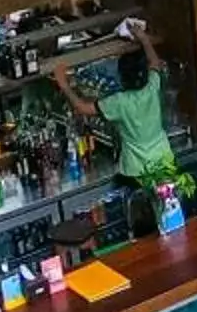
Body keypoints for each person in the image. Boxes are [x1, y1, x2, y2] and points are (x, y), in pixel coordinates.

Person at [67, 18, 190, 204]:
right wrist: (143, 38)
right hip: (163, 159)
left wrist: (63, 83)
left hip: (136, 171)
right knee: (170, 208)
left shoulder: (118, 102)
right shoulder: (152, 86)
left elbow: (82, 107)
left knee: (142, 215)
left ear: (122, 77)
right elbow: (154, 62)